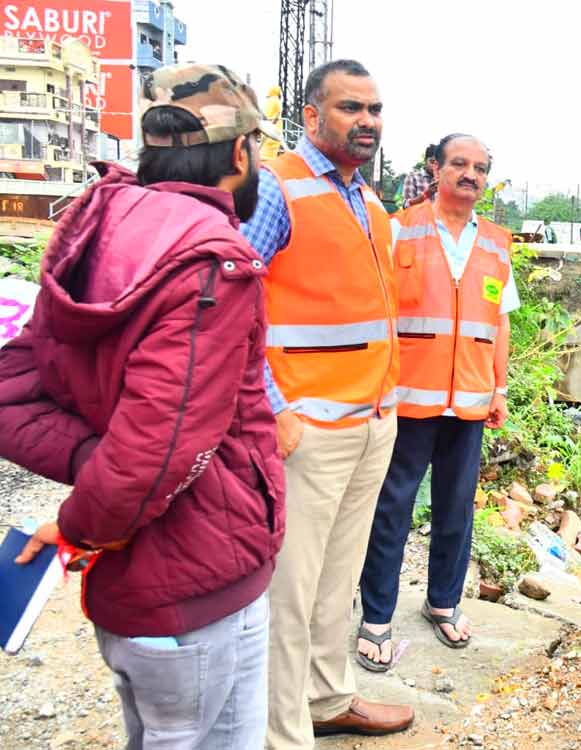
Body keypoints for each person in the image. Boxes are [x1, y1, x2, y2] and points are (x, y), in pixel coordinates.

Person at [0, 63, 285, 748]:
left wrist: (95, 471)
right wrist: (92, 515)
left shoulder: (96, 229)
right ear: (239, 154)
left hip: (151, 589)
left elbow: (15, 389)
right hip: (195, 582)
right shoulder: (213, 264)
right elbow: (158, 449)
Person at [239, 59, 412, 747]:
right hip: (306, 429)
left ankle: (327, 697)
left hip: (369, 422)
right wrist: (273, 406)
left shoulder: (368, 202)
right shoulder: (276, 188)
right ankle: (282, 733)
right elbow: (231, 302)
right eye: (350, 108)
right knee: (290, 591)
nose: (366, 121)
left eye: (374, 109)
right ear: (311, 116)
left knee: (336, 581)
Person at [356, 133, 519, 668]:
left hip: (470, 400)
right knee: (391, 509)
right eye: (460, 164)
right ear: (435, 168)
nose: (471, 174)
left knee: (456, 507)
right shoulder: (398, 230)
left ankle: (443, 602)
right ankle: (376, 616)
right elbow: (374, 311)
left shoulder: (495, 242)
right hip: (407, 398)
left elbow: (499, 323)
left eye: (480, 167)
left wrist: (498, 388)